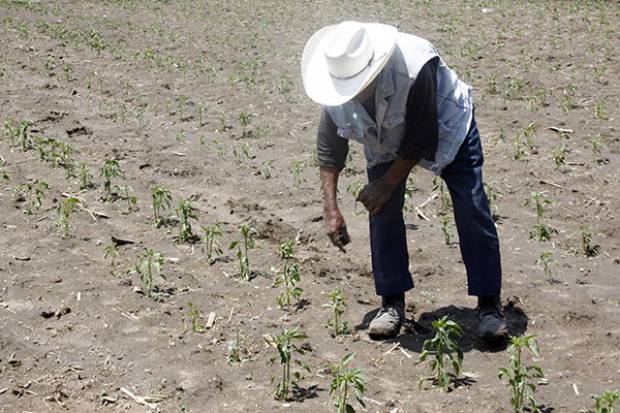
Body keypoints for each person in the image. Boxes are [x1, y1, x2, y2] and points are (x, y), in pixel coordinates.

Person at [301, 21, 507, 340]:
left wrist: (386, 184)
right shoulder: (333, 86)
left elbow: (422, 136)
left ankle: (489, 305)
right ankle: (391, 303)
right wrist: (330, 207)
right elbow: (330, 146)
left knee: (472, 207)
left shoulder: (414, 66)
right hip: (384, 138)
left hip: (447, 125)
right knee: (380, 211)